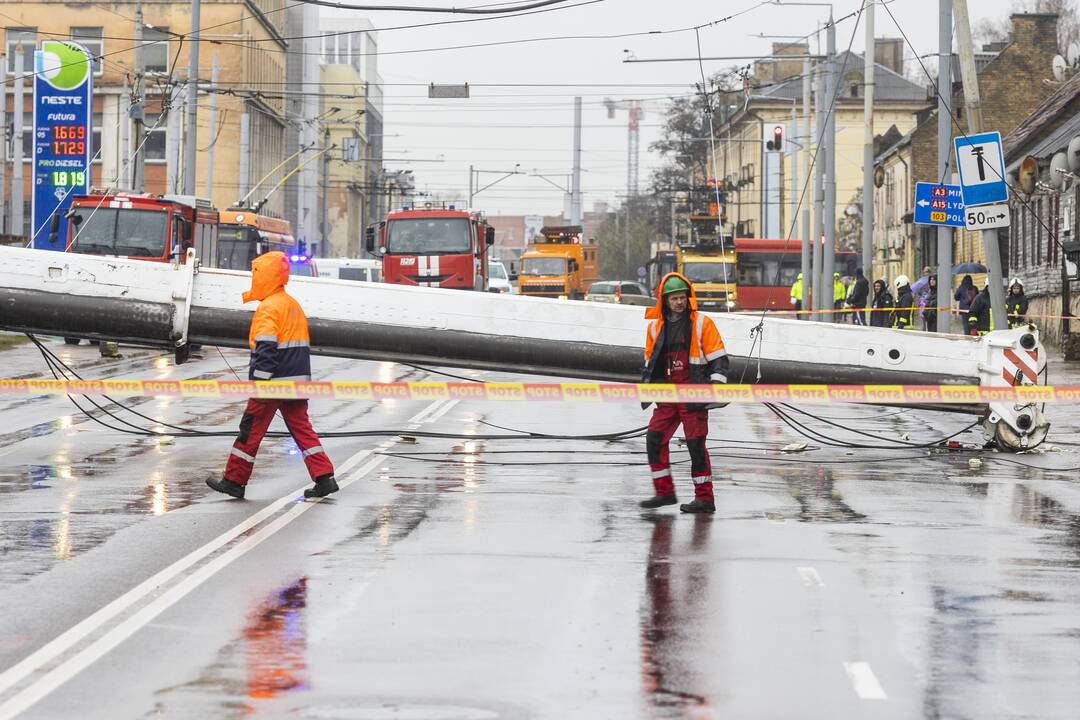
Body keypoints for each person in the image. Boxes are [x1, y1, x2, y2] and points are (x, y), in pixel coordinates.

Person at [207, 251, 337, 500]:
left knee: (250, 430)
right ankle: (325, 478)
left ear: (264, 276)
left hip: (273, 384)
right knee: (303, 430)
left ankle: (234, 480)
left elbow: (266, 348)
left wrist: (259, 382)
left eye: (256, 274)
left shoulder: (269, 308)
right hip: (297, 383)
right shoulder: (292, 304)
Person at [640, 273, 729, 514]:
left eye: (683, 298)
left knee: (696, 446)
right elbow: (650, 361)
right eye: (675, 298)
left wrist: (715, 389)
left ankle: (705, 499)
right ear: (665, 300)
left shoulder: (702, 323)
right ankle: (664, 492)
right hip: (668, 395)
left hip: (693, 393)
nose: (680, 302)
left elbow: (719, 360)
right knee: (654, 439)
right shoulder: (654, 327)